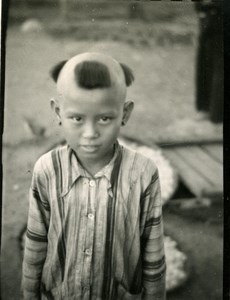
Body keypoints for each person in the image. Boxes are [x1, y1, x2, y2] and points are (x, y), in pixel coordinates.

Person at [22, 52, 166, 300]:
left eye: (104, 118)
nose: (90, 133)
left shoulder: (143, 173)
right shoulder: (46, 170)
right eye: (77, 118)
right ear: (57, 113)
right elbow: (36, 242)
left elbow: (153, 253)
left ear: (125, 114)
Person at [195, 0, 223, 123]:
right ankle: (216, 113)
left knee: (209, 63)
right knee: (218, 65)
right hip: (218, 13)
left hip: (211, 13)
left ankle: (209, 110)